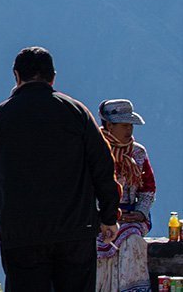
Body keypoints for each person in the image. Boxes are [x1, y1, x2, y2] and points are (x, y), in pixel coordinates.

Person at [0, 46, 121, 291]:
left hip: (21, 232)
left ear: (16, 76)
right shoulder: (76, 112)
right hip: (75, 230)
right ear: (53, 77)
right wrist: (109, 216)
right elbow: (103, 166)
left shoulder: (1, 116)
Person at [95, 99, 154, 292]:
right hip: (98, 218)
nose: (129, 130)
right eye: (124, 125)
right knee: (98, 246)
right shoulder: (94, 151)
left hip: (130, 218)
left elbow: (147, 188)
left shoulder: (138, 153)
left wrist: (140, 212)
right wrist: (105, 215)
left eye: (130, 125)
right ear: (109, 125)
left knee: (133, 241)